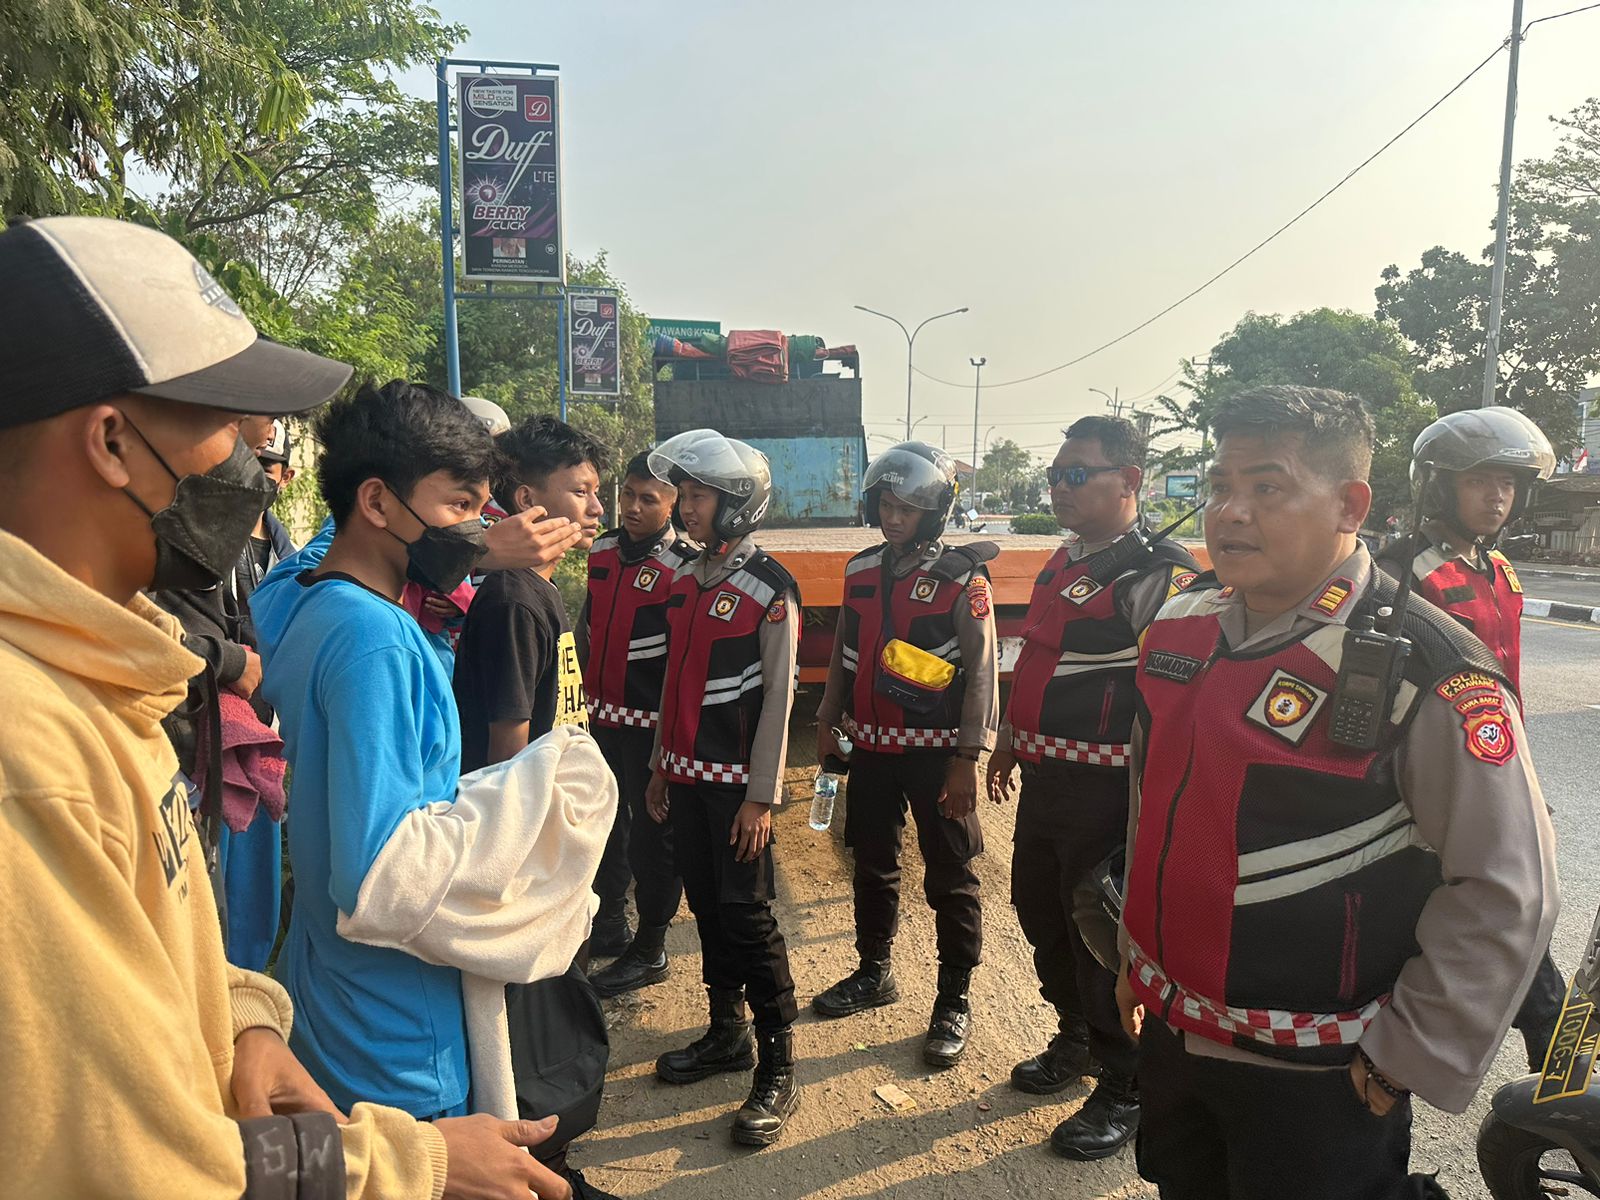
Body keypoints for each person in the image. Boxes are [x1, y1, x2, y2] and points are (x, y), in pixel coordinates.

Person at [0, 214, 571, 1199]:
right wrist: (421, 1161)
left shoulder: (117, 667)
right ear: (109, 441)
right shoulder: (33, 753)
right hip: (387, 1040)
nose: (253, 467)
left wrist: (240, 1017)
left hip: (308, 1006)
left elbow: (137, 963)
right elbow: (119, 1161)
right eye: (229, 425)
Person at [1119, 385, 1558, 1199]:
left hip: (1319, 1075)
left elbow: (1509, 886)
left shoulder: (1424, 664)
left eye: (1267, 487)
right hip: (1176, 1042)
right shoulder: (1179, 628)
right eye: (1221, 487)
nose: (1232, 512)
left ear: (1350, 504)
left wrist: (1408, 1053)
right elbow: (1152, 807)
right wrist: (1133, 959)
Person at [250, 380, 500, 1120]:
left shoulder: (311, 603)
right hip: (395, 1030)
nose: (477, 528)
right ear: (378, 502)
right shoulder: (376, 639)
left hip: (329, 987)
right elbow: (380, 874)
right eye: (459, 504)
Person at [984, 415, 1198, 1160]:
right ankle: (1075, 1037)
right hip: (1048, 780)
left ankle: (1126, 1083)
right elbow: (1038, 656)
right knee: (1039, 913)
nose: (1059, 487)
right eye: (1056, 474)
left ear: (1129, 482)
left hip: (1110, 794)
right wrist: (1011, 739)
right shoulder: (1068, 558)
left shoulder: (1157, 576)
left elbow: (1173, 705)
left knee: (1101, 937)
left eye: (1077, 474)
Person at [1379, 405, 1564, 1071]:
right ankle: (1568, 1066)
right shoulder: (1403, 573)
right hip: (1438, 788)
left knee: (1517, 917)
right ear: (1438, 485)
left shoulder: (1499, 571)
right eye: (1481, 481)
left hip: (1499, 768)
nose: (1497, 497)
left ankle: (1566, 1066)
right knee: (1515, 920)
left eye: (1508, 485)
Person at [811, 441, 998, 1068]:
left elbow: (980, 672)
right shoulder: (860, 570)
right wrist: (825, 717)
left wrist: (968, 757)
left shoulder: (961, 578)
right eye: (886, 504)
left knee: (950, 876)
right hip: (870, 751)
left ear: (935, 511)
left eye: (908, 509)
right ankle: (874, 972)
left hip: (936, 755)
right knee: (871, 863)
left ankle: (953, 1000)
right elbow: (845, 650)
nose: (894, 518)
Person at [642, 429, 804, 1146]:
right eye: (687, 495)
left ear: (738, 503)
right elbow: (673, 684)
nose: (688, 509)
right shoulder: (687, 578)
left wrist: (762, 797)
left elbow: (779, 699)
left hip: (739, 788)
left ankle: (778, 1064)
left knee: (748, 916)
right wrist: (658, 765)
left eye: (700, 496)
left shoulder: (770, 588)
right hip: (685, 777)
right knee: (706, 907)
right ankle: (724, 1031)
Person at [583, 452, 698, 998]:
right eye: (626, 494)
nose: (630, 506)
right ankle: (609, 924)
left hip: (652, 727)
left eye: (647, 499)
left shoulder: (685, 565)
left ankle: (651, 948)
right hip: (599, 717)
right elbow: (588, 623)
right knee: (604, 824)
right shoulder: (602, 549)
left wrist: (671, 737)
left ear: (672, 507)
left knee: (654, 836)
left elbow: (686, 658)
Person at [452, 414, 606, 773]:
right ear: (525, 499)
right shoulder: (513, 602)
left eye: (595, 493)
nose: (597, 508)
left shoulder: (538, 586)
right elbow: (509, 762)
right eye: (580, 492)